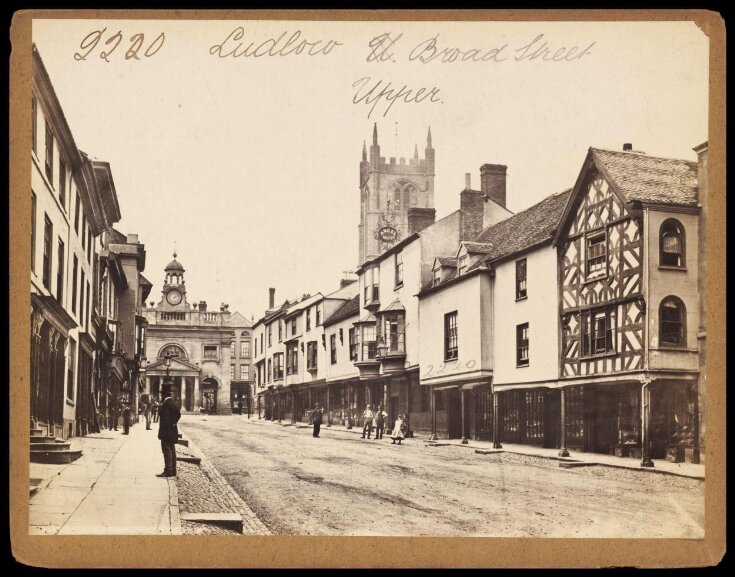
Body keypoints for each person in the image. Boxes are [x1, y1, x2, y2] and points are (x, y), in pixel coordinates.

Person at [157, 385, 181, 478]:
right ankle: (173, 470)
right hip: (172, 431)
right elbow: (178, 414)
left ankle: (168, 470)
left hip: (166, 432)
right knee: (172, 451)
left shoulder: (166, 404)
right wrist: (174, 423)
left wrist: (169, 426)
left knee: (166, 451)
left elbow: (165, 418)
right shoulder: (172, 402)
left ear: (163, 395)